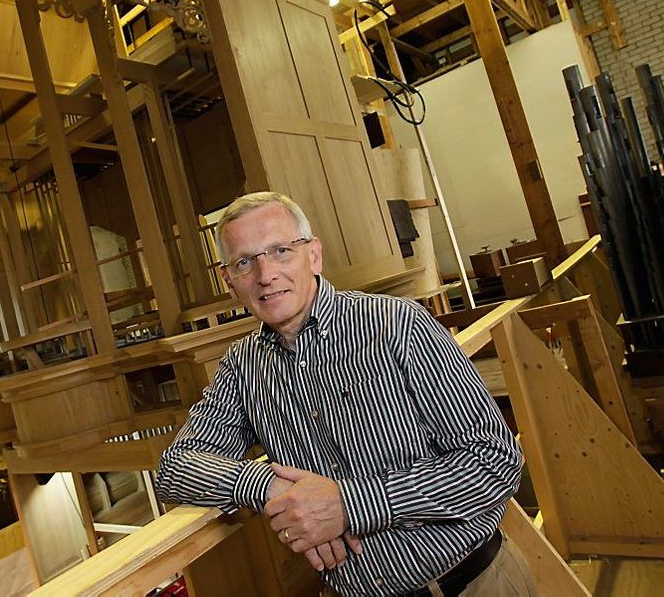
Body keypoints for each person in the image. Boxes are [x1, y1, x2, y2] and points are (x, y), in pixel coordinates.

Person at [155, 192, 534, 596]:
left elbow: (495, 461)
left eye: (281, 250)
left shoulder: (396, 324)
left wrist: (349, 505)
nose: (266, 275)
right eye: (245, 262)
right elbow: (174, 469)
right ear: (230, 282)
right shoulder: (242, 368)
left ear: (313, 255)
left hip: (471, 583)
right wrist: (269, 487)